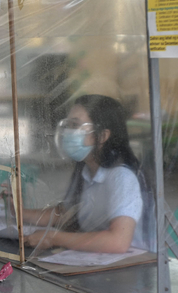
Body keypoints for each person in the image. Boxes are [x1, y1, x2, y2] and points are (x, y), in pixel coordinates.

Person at [20, 95, 155, 254]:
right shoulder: (87, 171)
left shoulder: (121, 177)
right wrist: (18, 211)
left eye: (75, 125)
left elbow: (118, 242)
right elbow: (62, 214)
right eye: (68, 125)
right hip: (101, 264)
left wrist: (53, 238)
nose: (68, 133)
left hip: (133, 267)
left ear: (103, 136)